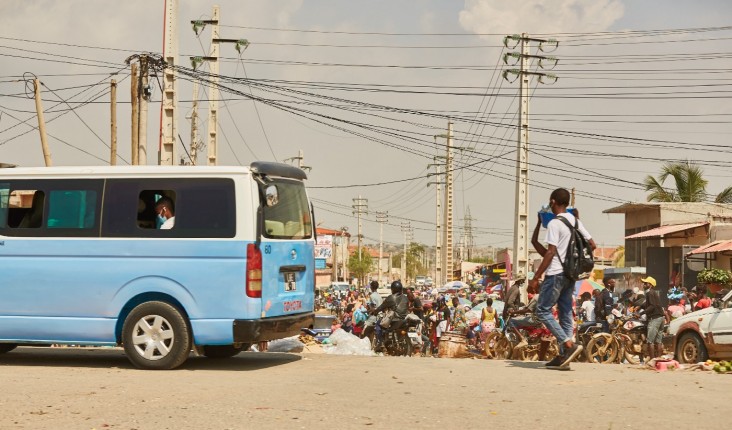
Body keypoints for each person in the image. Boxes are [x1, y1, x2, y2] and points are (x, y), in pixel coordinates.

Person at [527, 187, 597, 371]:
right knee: (565, 313)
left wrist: (535, 278)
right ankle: (564, 356)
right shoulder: (574, 221)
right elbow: (592, 244)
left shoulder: (554, 224)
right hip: (570, 275)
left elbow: (550, 252)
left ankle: (567, 344)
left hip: (556, 274)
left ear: (552, 202)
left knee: (542, 310)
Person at [640, 276, 670, 360]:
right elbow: (649, 304)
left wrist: (641, 313)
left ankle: (652, 360)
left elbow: (652, 306)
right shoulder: (653, 293)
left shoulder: (650, 293)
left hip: (655, 319)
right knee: (658, 341)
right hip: (660, 318)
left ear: (650, 285)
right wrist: (638, 307)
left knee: (650, 341)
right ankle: (658, 359)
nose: (644, 284)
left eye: (645, 283)